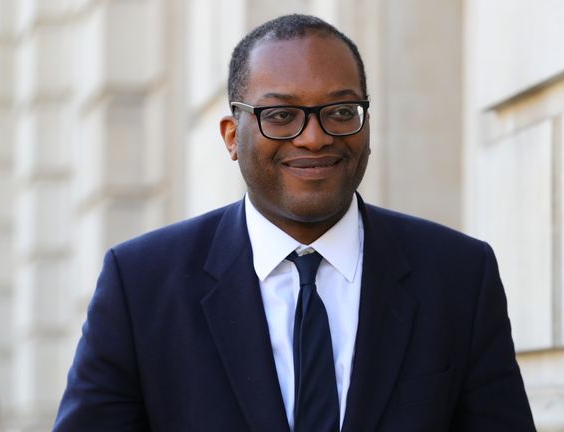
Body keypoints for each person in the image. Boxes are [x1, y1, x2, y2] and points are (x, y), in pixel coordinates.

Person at [54, 14, 535, 431]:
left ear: (366, 123)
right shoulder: (141, 284)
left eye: (341, 111)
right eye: (281, 115)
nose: (313, 137)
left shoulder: (458, 276)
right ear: (230, 136)